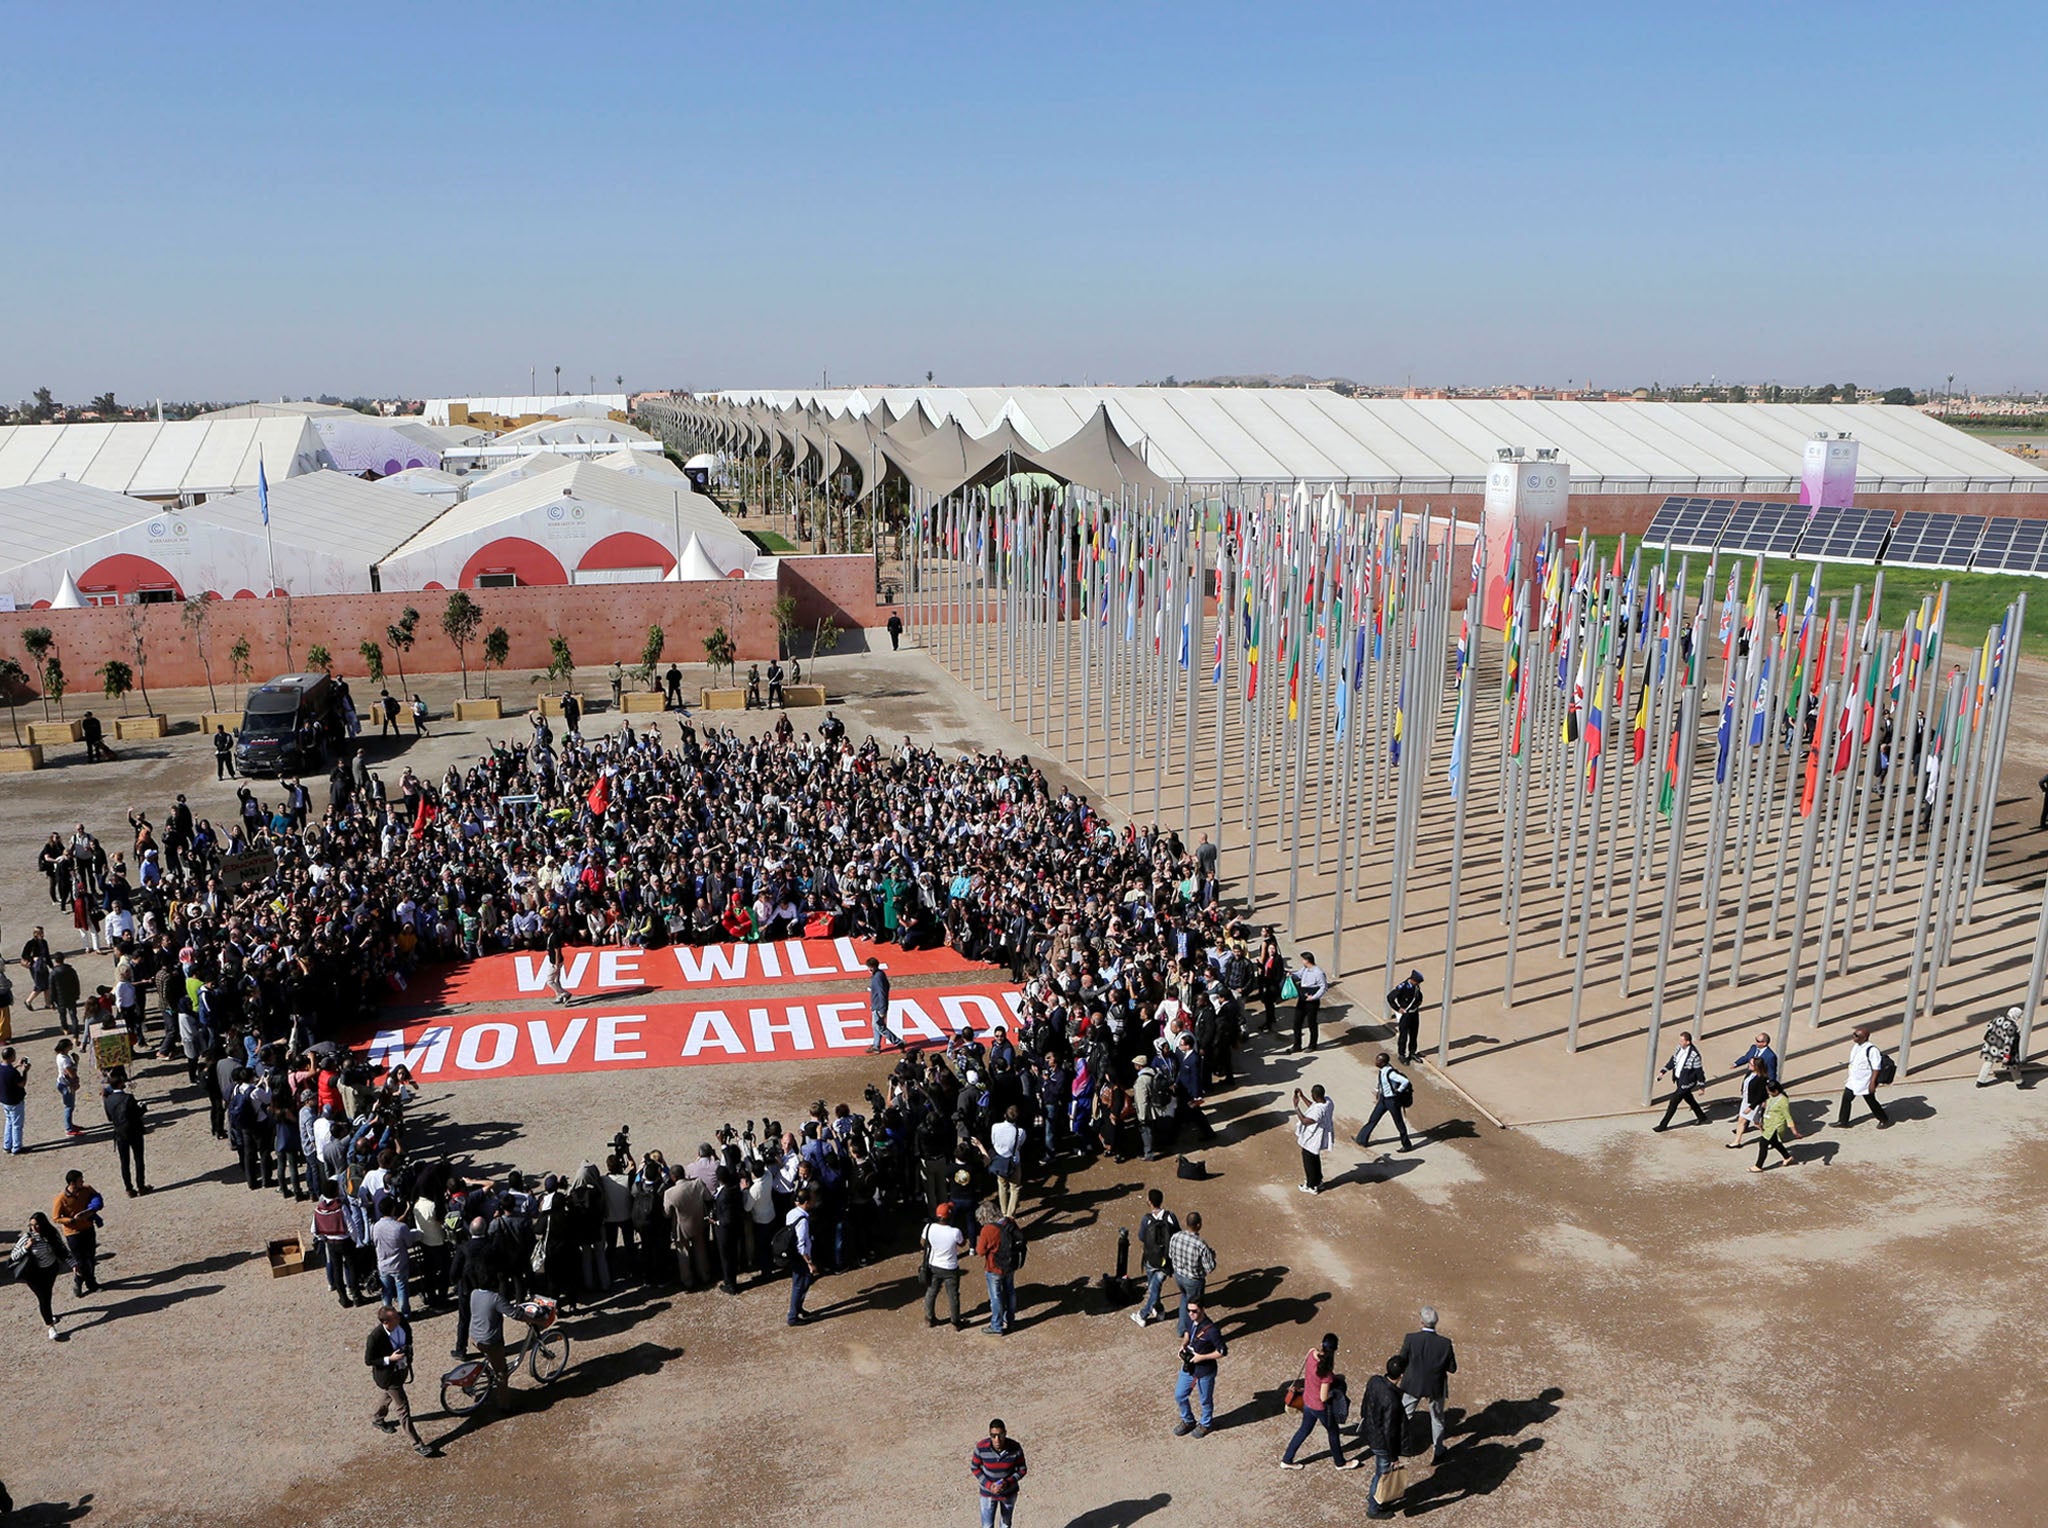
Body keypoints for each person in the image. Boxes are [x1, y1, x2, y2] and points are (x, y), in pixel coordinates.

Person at [364, 1305, 435, 1457]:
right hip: (389, 1376)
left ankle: (378, 1418)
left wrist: (408, 1350)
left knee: (389, 1395)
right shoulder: (375, 1337)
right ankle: (417, 1444)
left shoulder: (401, 1321)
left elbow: (409, 1335)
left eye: (397, 1316)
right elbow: (369, 1360)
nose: (399, 1318)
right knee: (403, 1407)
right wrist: (390, 1359)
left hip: (401, 1370)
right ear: (385, 1322)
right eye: (395, 1317)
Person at [1280, 1332, 1357, 1470]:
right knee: (1333, 1432)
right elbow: (1323, 1397)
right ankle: (1340, 1463)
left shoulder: (1311, 1353)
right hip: (1320, 1407)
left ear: (1322, 1344)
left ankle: (1287, 1459)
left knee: (1303, 1430)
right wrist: (1334, 1393)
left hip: (1307, 1401)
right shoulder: (1325, 1373)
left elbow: (1313, 1351)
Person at [1397, 1306, 1457, 1463]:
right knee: (1437, 1419)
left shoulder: (1411, 1338)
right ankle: (1438, 1450)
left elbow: (1401, 1360)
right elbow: (1452, 1368)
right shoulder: (1445, 1343)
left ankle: (1397, 1444)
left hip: (1413, 1384)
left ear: (1421, 1321)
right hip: (1435, 1386)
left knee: (1404, 1414)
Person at [1361, 1353, 1410, 1518]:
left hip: (1370, 1431)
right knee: (1382, 1473)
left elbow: (1365, 1403)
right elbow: (1390, 1431)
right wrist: (1394, 1456)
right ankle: (1373, 1507)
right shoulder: (1392, 1400)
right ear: (1401, 1375)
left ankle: (1375, 1495)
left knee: (1380, 1471)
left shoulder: (1374, 1381)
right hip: (1381, 1442)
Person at [1173, 1298, 1227, 1438]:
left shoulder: (1211, 1330)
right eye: (1189, 1310)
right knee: (1180, 1395)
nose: (1191, 1314)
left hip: (1204, 1371)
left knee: (1205, 1399)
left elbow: (1222, 1351)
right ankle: (1188, 1420)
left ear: (1202, 1309)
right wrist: (1184, 1344)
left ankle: (1206, 1424)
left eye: (1194, 1311)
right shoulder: (1190, 1319)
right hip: (1189, 1367)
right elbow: (1187, 1332)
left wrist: (1201, 1357)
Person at [14, 1211, 71, 1339]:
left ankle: (49, 1316)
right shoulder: (26, 1237)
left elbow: (62, 1249)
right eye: (31, 1225)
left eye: (36, 1225)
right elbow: (14, 1256)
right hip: (32, 1274)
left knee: (47, 1295)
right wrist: (26, 1247)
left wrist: (73, 1264)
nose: (34, 1228)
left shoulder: (51, 1234)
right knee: (44, 1298)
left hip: (50, 1270)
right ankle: (50, 1326)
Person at [1131, 1188, 1179, 1327]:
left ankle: (1142, 1315)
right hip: (1166, 1261)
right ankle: (1159, 1310)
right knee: (1155, 1287)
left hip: (1150, 1259)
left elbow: (1141, 1237)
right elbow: (1177, 1233)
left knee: (1153, 1288)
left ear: (1150, 1202)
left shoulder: (1146, 1219)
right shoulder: (1170, 1216)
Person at [1167, 1211, 1216, 1341]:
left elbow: (1171, 1255)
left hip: (1179, 1276)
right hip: (1193, 1280)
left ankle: (1181, 1329)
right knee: (1196, 1310)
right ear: (1199, 1225)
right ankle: (1194, 1334)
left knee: (1184, 1299)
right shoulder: (1201, 1244)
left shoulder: (1176, 1237)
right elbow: (1210, 1268)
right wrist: (1212, 1257)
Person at [53, 1169, 103, 1298]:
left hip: (88, 1228)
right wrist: (72, 1220)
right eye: (80, 1180)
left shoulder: (86, 1190)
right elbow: (56, 1217)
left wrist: (93, 1207)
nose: (83, 1182)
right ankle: (80, 1282)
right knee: (80, 1262)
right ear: (72, 1183)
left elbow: (97, 1197)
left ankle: (90, 1283)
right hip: (73, 1233)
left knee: (90, 1257)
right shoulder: (60, 1199)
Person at [101, 1067, 151, 1195]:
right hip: (134, 1131)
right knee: (138, 1159)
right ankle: (141, 1186)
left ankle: (129, 1188)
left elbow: (109, 1118)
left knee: (124, 1162)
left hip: (119, 1133)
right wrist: (143, 1108)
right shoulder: (128, 1098)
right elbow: (136, 1114)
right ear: (119, 1084)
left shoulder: (108, 1100)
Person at [968, 1418, 1026, 1527]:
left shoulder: (1015, 1448)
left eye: (1000, 1435)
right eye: (993, 1435)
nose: (997, 1439)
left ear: (1005, 1433)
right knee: (987, 1525)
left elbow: (1022, 1469)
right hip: (987, 1493)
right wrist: (989, 1485)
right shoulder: (981, 1448)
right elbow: (974, 1467)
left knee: (1006, 1524)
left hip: (1008, 1493)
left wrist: (1007, 1482)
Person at [976, 1205, 1021, 1336]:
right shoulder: (1010, 1222)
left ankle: (996, 1326)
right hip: (1010, 1264)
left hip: (994, 1267)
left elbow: (980, 1251)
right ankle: (1011, 1321)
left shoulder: (988, 1229)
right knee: (1010, 1291)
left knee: (996, 1297)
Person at [1835, 1026, 1891, 1129]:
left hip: (1865, 1081)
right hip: (1854, 1080)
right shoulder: (1857, 1046)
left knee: (1871, 1101)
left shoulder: (1872, 1050)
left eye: (1856, 1035)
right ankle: (1843, 1121)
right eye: (1854, 1034)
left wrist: (1872, 1083)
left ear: (1864, 1038)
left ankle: (1883, 1119)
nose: (1853, 1037)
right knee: (1846, 1098)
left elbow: (1876, 1068)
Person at [923, 1202, 967, 1330]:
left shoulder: (929, 1227)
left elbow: (923, 1242)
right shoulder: (955, 1232)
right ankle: (955, 1322)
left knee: (931, 1292)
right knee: (953, 1295)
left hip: (934, 1265)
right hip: (950, 1268)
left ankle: (929, 1318)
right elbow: (963, 1244)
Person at [1654, 1031, 1709, 1131]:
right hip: (1679, 1080)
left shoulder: (1694, 1055)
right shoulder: (1679, 1048)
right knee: (1689, 1099)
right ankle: (1702, 1117)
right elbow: (1673, 1061)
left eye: (1682, 1040)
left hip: (1687, 1082)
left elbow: (1699, 1071)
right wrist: (1663, 1072)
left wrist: (1702, 1086)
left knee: (1673, 1102)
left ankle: (1663, 1125)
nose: (1679, 1042)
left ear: (1688, 1042)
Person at [1361, 1053, 1415, 1152]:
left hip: (1392, 1101)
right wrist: (1378, 1091)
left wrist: (1399, 1091)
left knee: (1399, 1122)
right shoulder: (1383, 1070)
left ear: (1383, 1062)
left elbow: (1405, 1081)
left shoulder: (1391, 1073)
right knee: (1373, 1118)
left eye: (1378, 1060)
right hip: (1383, 1099)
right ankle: (1361, 1139)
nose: (1376, 1062)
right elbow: (1382, 1082)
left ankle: (1407, 1145)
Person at [1293, 1083, 1335, 1194]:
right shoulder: (1328, 1102)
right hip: (1317, 1138)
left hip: (1313, 1139)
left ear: (1315, 1095)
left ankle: (1311, 1186)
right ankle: (1318, 1181)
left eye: (1312, 1093)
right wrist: (1302, 1097)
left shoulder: (1318, 1111)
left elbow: (1305, 1121)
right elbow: (1313, 1106)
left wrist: (1296, 1107)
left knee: (1309, 1161)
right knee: (1315, 1159)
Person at [1751, 1081, 1801, 1172]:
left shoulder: (1783, 1101)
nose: (1768, 1093)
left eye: (1769, 1091)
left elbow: (1788, 1117)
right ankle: (1787, 1157)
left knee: (1763, 1143)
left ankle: (1758, 1166)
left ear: (1776, 1091)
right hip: (1769, 1124)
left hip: (1776, 1126)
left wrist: (1794, 1132)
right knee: (1775, 1142)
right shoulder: (1772, 1096)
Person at [784, 1188, 817, 1325]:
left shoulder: (792, 1213)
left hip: (794, 1255)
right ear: (807, 1202)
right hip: (801, 1257)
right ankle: (793, 1316)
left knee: (803, 1282)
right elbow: (801, 1244)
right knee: (799, 1285)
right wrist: (809, 1263)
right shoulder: (803, 1221)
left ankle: (798, 1308)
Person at [1728, 1057, 1770, 1151]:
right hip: (1746, 1100)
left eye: (1751, 1064)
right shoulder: (1749, 1073)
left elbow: (1761, 1095)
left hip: (1753, 1103)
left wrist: (1751, 1107)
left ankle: (1770, 1138)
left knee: (1757, 1123)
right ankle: (1737, 1141)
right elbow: (1746, 1084)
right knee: (1742, 1120)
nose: (1749, 1065)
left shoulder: (1762, 1078)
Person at [1292, 952, 1327, 1052]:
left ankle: (1312, 1045)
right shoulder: (1305, 969)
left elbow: (1323, 987)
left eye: (1303, 959)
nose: (1302, 961)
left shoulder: (1318, 972)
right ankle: (1297, 1045)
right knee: (1297, 1022)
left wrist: (1314, 997)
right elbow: (1298, 975)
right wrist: (1291, 974)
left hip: (1312, 1001)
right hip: (1303, 998)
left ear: (1307, 960)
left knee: (1312, 1023)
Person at [1387, 969, 1424, 1064]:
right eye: (1417, 982)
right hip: (1405, 1013)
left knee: (1414, 1033)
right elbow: (1390, 997)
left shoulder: (1416, 986)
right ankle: (1402, 1054)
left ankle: (1412, 1052)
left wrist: (1419, 1002)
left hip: (1414, 1012)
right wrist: (1398, 1008)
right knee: (1403, 1035)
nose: (1418, 984)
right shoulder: (1403, 986)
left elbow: (1418, 995)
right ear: (1413, 980)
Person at [1979, 1008, 2023, 1087]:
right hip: (2001, 1048)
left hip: (1991, 1044)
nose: (2019, 1018)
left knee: (1988, 1062)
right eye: (2019, 1016)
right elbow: (2008, 1042)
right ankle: (2019, 1082)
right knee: (2012, 1065)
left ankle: (1980, 1081)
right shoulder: (2012, 1026)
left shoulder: (1999, 1018)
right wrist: (2006, 1056)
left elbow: (1990, 1026)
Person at [867, 957, 899, 1052]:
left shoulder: (877, 977)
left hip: (879, 1007)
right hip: (876, 1005)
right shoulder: (880, 974)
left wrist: (882, 1009)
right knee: (875, 1026)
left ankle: (898, 1042)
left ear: (871, 968)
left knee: (879, 1027)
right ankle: (876, 1046)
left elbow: (882, 993)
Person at [0, 1046, 27, 1154]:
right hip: (15, 1101)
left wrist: (17, 1066)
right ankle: (16, 1147)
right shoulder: (13, 1072)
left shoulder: (2, 1068)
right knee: (17, 1125)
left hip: (4, 1100)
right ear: (11, 1057)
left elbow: (7, 1072)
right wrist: (25, 1071)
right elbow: (22, 1083)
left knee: (9, 1122)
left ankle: (7, 1145)